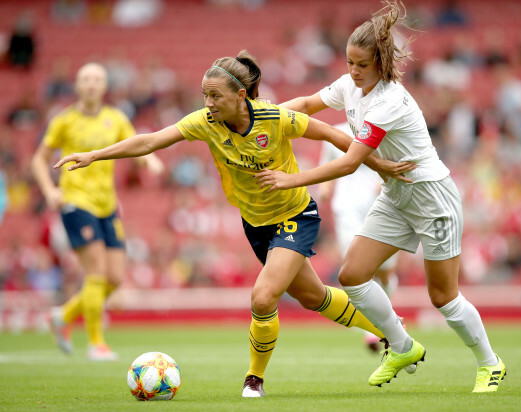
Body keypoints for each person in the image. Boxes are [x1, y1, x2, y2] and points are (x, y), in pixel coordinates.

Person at [54, 50, 415, 397]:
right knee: (313, 296)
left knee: (262, 298)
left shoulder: (274, 118)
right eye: (204, 96)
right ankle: (396, 337)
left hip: (295, 215)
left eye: (215, 96)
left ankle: (254, 379)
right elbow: (150, 140)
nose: (208, 103)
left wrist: (377, 163)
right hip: (256, 224)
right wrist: (95, 155)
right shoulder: (205, 123)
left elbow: (328, 133)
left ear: (241, 95)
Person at [255, 0, 506, 393]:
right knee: (352, 274)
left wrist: (291, 180)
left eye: (361, 65)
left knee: (443, 296)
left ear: (381, 64)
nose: (353, 71)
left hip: (432, 198)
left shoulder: (389, 101)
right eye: (350, 62)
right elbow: (304, 106)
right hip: (396, 195)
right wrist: (258, 119)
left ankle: (489, 363)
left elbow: (350, 163)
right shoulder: (349, 85)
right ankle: (402, 346)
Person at [31, 62, 164, 361]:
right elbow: (38, 160)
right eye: (85, 79)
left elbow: (138, 146)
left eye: (97, 79)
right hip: (76, 202)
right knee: (96, 273)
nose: (91, 84)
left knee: (115, 277)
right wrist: (50, 190)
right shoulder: (63, 121)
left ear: (105, 87)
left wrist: (150, 161)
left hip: (107, 205)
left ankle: (63, 316)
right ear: (77, 86)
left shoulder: (115, 118)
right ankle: (96, 343)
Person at [319, 122, 400, 352]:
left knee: (385, 273)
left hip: (381, 208)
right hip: (347, 210)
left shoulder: (384, 130)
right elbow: (327, 166)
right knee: (356, 271)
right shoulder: (336, 132)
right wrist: (325, 189)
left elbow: (399, 161)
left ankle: (384, 315)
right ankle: (372, 328)